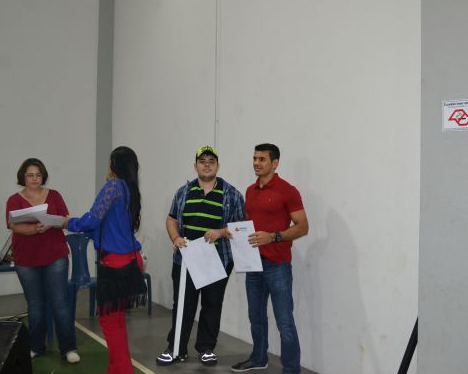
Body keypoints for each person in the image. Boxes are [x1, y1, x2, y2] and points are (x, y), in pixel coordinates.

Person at [156, 145, 244, 367]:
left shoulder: (231, 194)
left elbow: (241, 227)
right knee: (183, 305)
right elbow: (171, 219)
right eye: (202, 161)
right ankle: (176, 348)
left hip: (218, 259)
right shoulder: (183, 192)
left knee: (212, 305)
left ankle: (206, 348)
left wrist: (221, 232)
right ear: (195, 166)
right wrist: (176, 237)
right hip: (185, 260)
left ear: (217, 166)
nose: (206, 165)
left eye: (211, 161)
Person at [62, 146, 147, 374]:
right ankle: (116, 369)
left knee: (110, 324)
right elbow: (103, 225)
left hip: (115, 264)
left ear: (113, 164)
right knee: (117, 322)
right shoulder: (130, 189)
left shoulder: (113, 186)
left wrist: (67, 222)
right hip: (131, 261)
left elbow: (92, 219)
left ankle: (123, 370)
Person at [231, 143, 309, 374]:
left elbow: (303, 227)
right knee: (255, 316)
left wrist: (273, 237)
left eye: (262, 159)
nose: (256, 163)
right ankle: (258, 358)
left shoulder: (288, 191)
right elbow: (249, 223)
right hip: (253, 264)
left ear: (275, 163)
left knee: (284, 321)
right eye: (255, 158)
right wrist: (235, 232)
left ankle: (291, 370)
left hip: (278, 265)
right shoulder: (250, 191)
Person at [5, 158, 80, 363]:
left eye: (38, 175)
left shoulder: (54, 195)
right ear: (23, 177)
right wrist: (34, 229)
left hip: (55, 256)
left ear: (43, 176)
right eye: (30, 175)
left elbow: (66, 219)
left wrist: (53, 223)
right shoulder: (14, 200)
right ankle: (36, 346)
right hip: (26, 259)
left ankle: (69, 348)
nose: (34, 179)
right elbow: (13, 225)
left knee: (60, 303)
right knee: (35, 305)